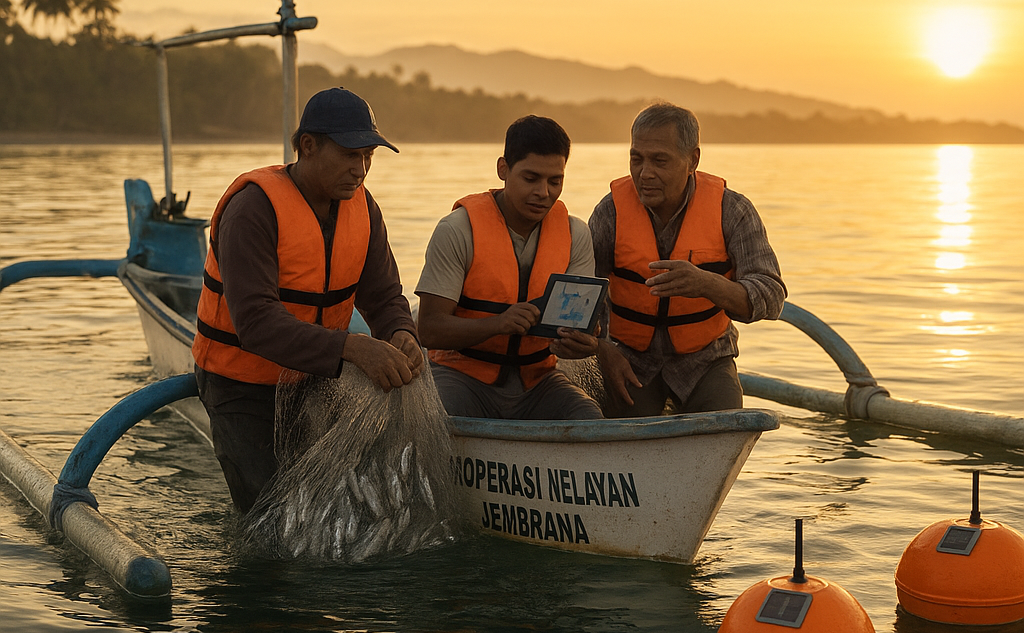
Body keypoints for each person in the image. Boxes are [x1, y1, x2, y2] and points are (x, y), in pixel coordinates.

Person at [192, 87, 422, 513]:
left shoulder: (363, 209)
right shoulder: (252, 211)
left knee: (338, 508)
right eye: (351, 154)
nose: (361, 169)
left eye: (368, 156)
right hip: (241, 385)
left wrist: (400, 332)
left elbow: (385, 295)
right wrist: (353, 347)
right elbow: (257, 323)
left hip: (312, 378)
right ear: (308, 146)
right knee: (271, 516)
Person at [589, 102, 786, 417]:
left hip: (706, 360)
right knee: (624, 433)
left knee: (724, 425)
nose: (645, 173)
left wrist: (707, 284)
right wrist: (603, 350)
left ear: (692, 160)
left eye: (660, 160)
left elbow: (772, 297)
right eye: (636, 159)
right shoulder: (609, 212)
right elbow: (583, 296)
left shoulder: (732, 211)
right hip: (631, 360)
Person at [416, 116, 602, 420]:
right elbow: (430, 330)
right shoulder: (457, 230)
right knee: (441, 419)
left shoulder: (576, 235)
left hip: (538, 382)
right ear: (503, 169)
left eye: (555, 181)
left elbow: (582, 331)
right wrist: (498, 323)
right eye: (531, 178)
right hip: (462, 377)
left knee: (589, 419)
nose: (544, 192)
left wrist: (585, 344)